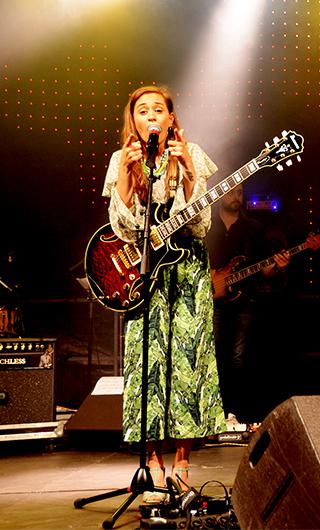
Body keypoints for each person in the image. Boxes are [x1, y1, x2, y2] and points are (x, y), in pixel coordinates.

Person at [101, 85, 226, 502]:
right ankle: (152, 462)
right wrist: (126, 174)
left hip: (187, 272)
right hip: (145, 274)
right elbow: (121, 227)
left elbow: (201, 225)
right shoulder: (121, 159)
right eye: (143, 110)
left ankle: (183, 463)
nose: (151, 115)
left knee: (189, 362)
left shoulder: (193, 153)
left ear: (171, 119)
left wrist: (189, 171)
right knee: (148, 363)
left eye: (159, 109)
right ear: (133, 120)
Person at [205, 184, 290, 428]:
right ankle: (213, 413)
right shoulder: (207, 226)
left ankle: (236, 413)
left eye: (240, 192)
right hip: (211, 299)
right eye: (231, 192)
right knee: (213, 356)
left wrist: (277, 267)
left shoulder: (254, 229)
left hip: (244, 302)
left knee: (239, 358)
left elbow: (265, 269)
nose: (235, 197)